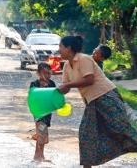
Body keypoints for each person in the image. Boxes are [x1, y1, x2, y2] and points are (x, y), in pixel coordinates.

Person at [58, 36, 137, 168]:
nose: (58, 50)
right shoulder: (67, 65)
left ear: (69, 48)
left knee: (121, 129)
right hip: (91, 101)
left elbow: (89, 80)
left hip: (106, 96)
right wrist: (55, 92)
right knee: (86, 134)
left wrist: (68, 85)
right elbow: (65, 87)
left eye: (60, 46)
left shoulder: (84, 59)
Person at [29, 63, 55, 162]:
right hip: (38, 115)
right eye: (44, 73)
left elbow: (54, 96)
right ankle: (37, 156)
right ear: (38, 73)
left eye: (49, 73)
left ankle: (40, 156)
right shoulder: (34, 84)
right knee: (43, 135)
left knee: (43, 136)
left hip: (47, 114)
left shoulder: (52, 83)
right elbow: (32, 97)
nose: (47, 76)